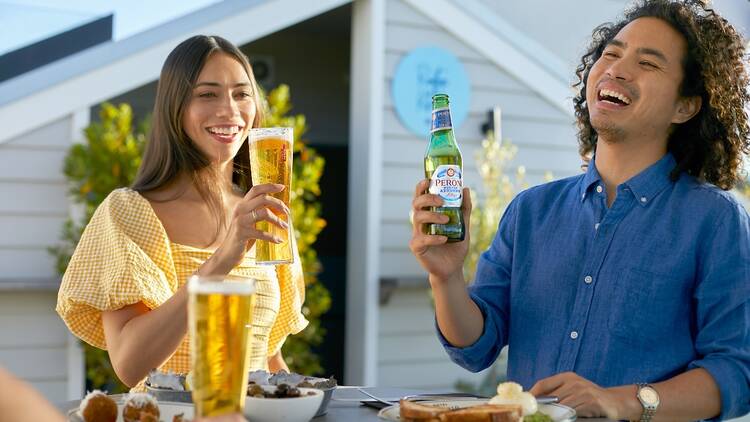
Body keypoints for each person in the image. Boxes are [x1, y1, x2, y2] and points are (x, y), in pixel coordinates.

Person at [409, 1, 749, 420]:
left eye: (648, 63)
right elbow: (476, 347)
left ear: (685, 106)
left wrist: (623, 401)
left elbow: (736, 372)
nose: (618, 69)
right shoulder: (530, 211)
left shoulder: (716, 221)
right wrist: (445, 277)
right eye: (611, 53)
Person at [56, 35, 308, 390]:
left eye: (241, 93)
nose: (230, 111)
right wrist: (222, 260)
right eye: (208, 94)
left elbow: (266, 357)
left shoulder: (263, 212)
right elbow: (131, 365)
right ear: (176, 108)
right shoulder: (128, 213)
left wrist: (311, 397)